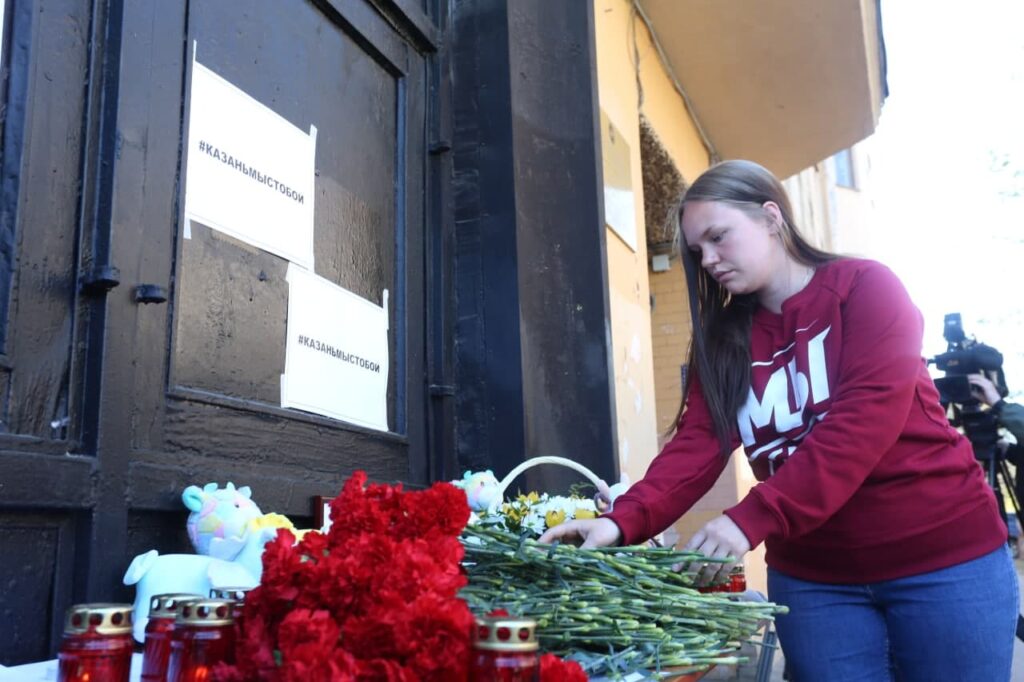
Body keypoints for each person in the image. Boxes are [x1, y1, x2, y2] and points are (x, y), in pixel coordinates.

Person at [540, 160, 1018, 681]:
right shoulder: (723, 342)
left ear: (772, 218)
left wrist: (750, 518)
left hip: (943, 561)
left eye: (719, 237)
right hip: (816, 583)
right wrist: (620, 520)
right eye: (698, 252)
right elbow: (697, 444)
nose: (710, 259)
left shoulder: (866, 288)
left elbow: (864, 420)